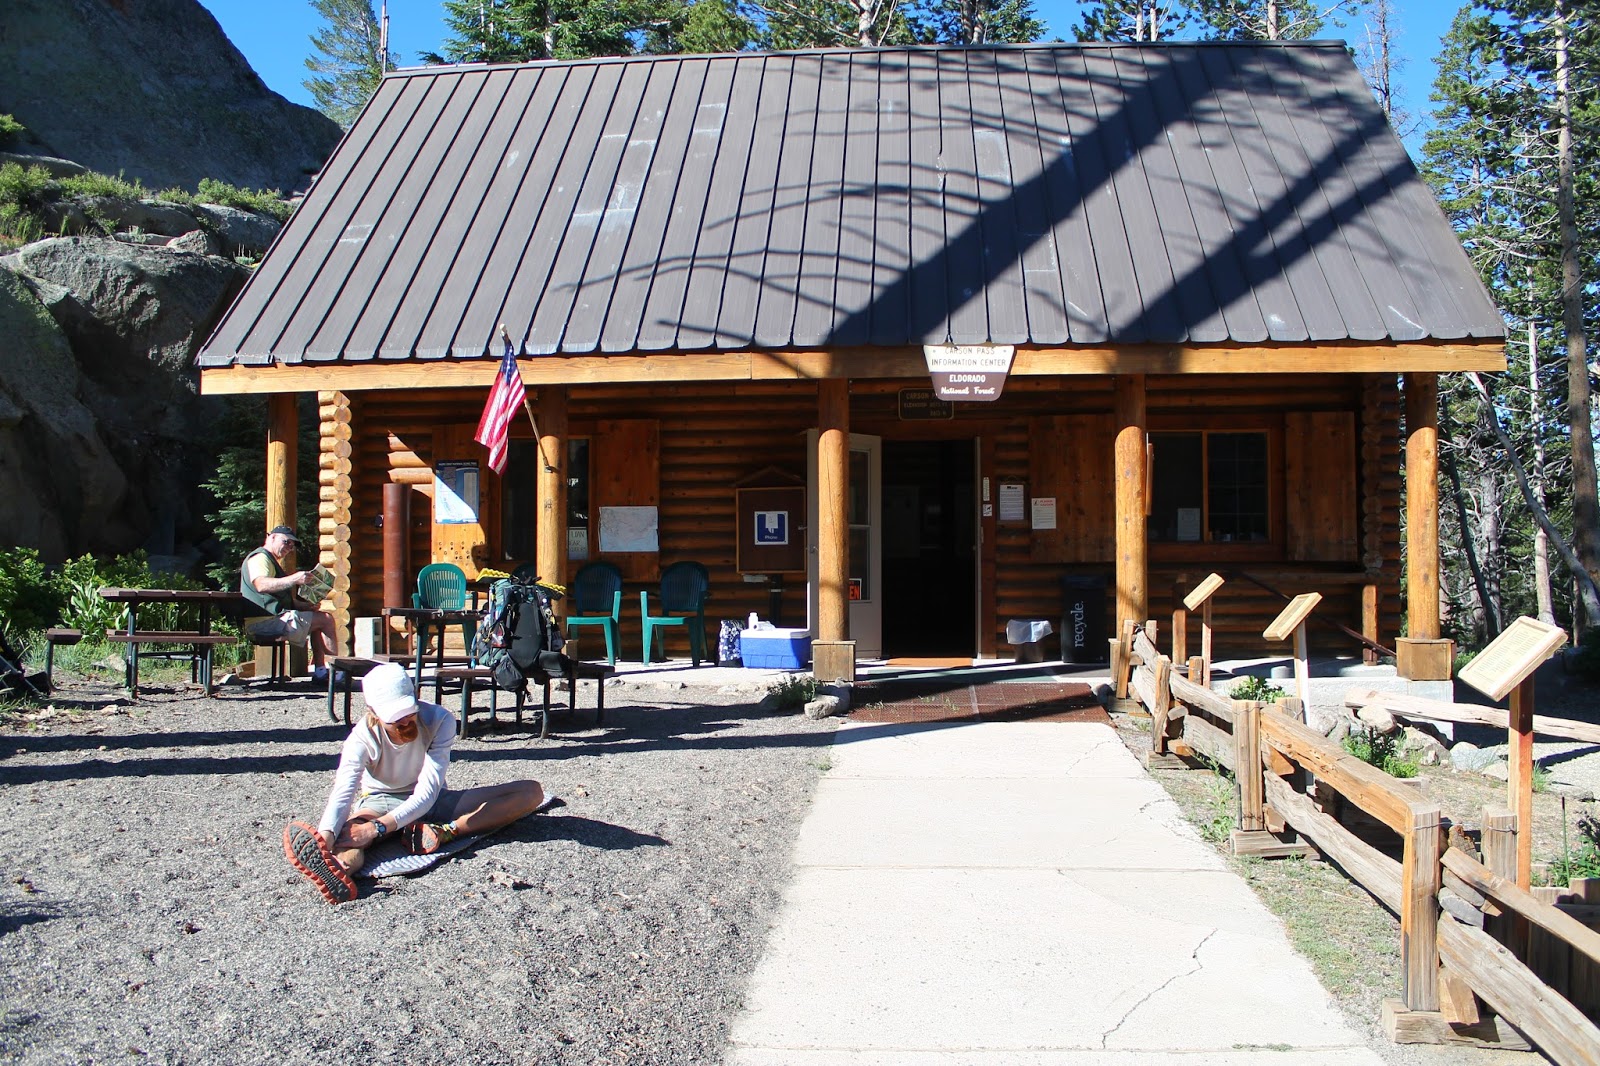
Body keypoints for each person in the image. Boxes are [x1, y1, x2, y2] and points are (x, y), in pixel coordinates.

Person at [282, 662, 548, 904]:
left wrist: (376, 829)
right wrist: (326, 837)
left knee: (531, 792)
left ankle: (446, 832)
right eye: (395, 717)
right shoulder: (361, 738)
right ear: (373, 713)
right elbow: (343, 792)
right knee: (349, 838)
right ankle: (337, 870)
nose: (405, 721)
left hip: (433, 801)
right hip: (380, 801)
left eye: (409, 712)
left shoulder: (439, 720)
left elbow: (427, 792)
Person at [239, 525, 338, 682]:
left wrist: (304, 606)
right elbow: (261, 585)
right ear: (272, 537)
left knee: (318, 618)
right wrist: (294, 579)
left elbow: (275, 598)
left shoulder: (270, 560)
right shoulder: (260, 558)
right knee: (326, 620)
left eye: (292, 546)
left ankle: (321, 672)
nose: (289, 548)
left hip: (272, 619)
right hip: (263, 623)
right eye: (286, 542)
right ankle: (336, 673)